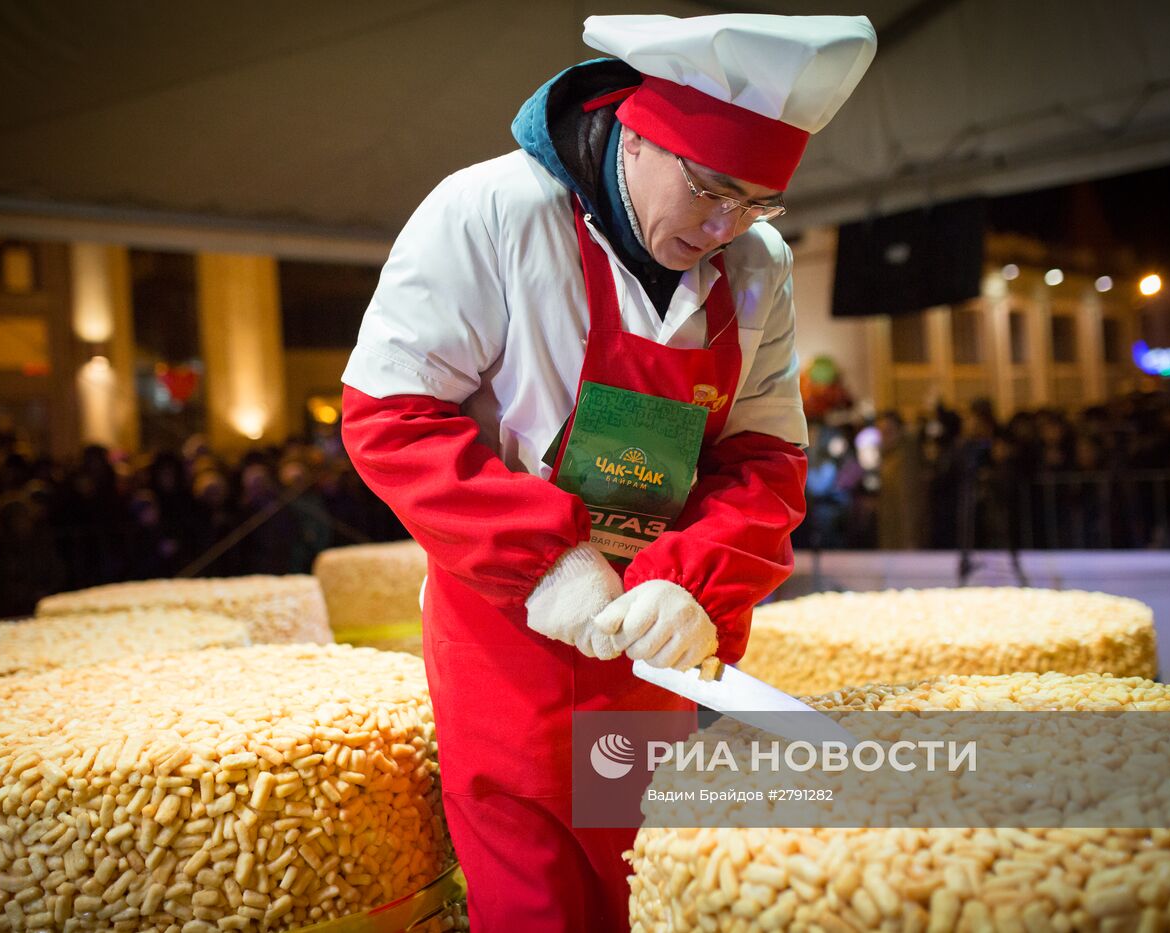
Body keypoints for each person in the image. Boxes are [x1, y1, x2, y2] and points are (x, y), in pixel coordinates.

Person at [340, 13, 875, 930]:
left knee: (646, 880)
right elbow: (391, 415)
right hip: (504, 630)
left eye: (757, 202)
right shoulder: (491, 211)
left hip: (653, 637)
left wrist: (695, 585)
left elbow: (765, 457)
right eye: (709, 188)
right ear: (637, 127)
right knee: (535, 893)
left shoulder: (757, 264)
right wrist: (547, 558)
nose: (723, 226)